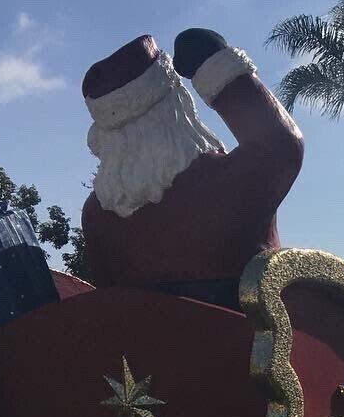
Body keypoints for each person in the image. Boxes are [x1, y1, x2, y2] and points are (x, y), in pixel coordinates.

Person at [80, 29, 304, 310]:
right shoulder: (227, 185)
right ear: (177, 105)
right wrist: (211, 60)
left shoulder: (96, 216)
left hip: (148, 351)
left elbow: (108, 300)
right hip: (249, 344)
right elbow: (281, 145)